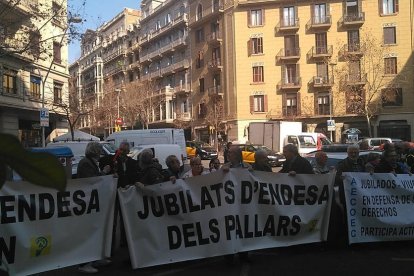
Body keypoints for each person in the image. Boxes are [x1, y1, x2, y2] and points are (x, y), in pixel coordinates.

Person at [77, 142, 111, 274]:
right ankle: (84, 263)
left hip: (92, 202)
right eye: (99, 151)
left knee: (94, 231)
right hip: (87, 203)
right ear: (95, 151)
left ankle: (94, 258)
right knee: (88, 232)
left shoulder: (89, 162)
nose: (101, 153)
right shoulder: (86, 163)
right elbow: (91, 182)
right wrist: (104, 172)